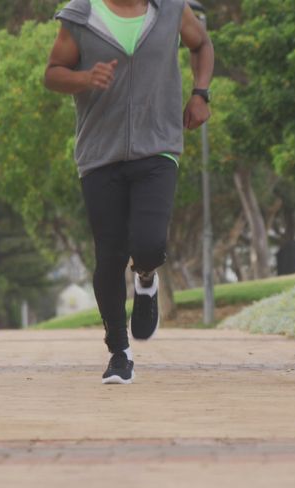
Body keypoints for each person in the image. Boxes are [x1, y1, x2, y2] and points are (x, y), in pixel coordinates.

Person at [45, 0, 214, 384]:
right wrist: (84, 79)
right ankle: (119, 352)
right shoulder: (81, 14)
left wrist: (201, 93)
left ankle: (146, 277)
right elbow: (53, 73)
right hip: (100, 154)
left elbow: (201, 44)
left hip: (158, 145)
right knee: (109, 255)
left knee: (150, 243)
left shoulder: (171, 8)